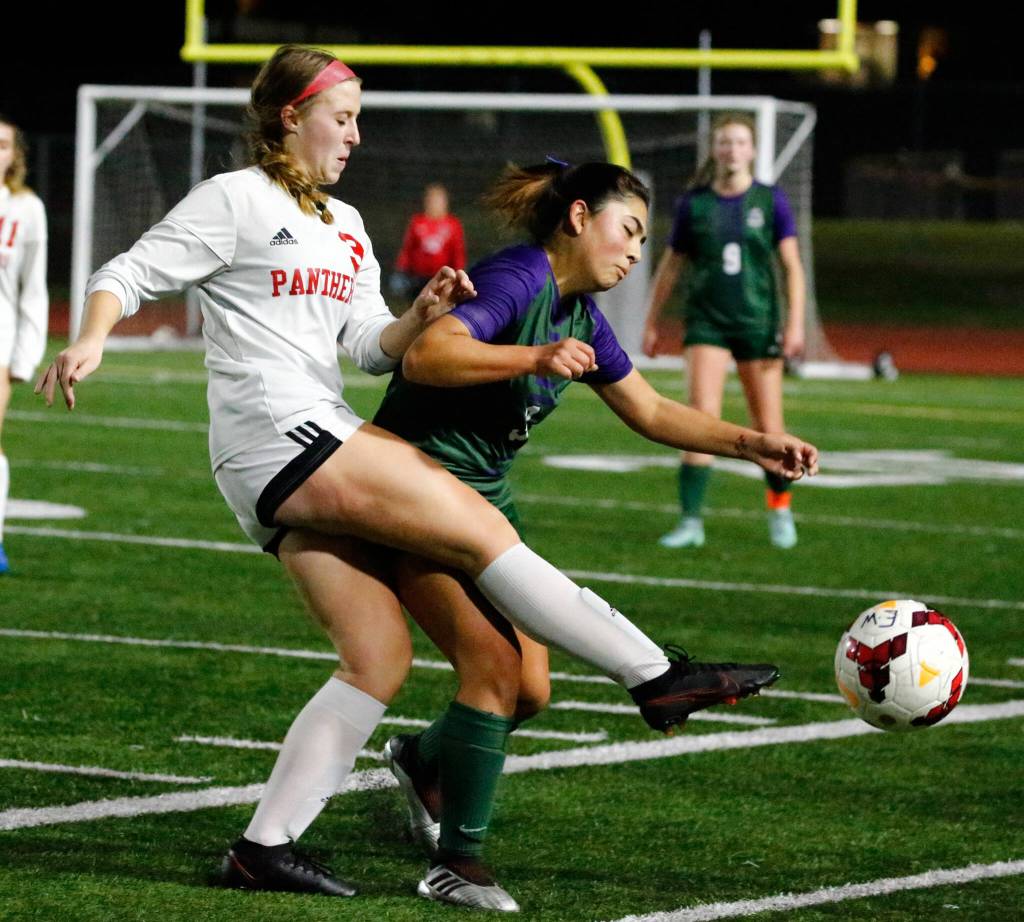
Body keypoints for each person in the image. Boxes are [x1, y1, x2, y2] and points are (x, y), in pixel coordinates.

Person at [35, 47, 809, 910]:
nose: (357, 135)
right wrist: (93, 336)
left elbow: (370, 349)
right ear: (290, 116)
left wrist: (416, 317)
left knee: (378, 659)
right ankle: (653, 674)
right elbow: (128, 272)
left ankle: (261, 849)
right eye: (344, 117)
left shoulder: (348, 225)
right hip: (275, 431)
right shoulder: (236, 199)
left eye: (360, 118)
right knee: (484, 536)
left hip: (316, 429)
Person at [372, 160, 820, 910]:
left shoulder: (579, 313)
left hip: (482, 497)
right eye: (629, 230)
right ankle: (459, 862)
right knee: (494, 668)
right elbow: (427, 353)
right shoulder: (519, 277)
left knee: (532, 690)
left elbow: (650, 411)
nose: (637, 251)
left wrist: (754, 444)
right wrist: (535, 356)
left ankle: (421, 761)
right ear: (578, 217)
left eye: (645, 238)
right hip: (410, 484)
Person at [642, 113, 807, 550]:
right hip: (706, 323)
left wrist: (794, 324)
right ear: (714, 150)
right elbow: (671, 265)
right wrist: (651, 319)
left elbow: (791, 267)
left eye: (739, 142)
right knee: (700, 418)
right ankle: (691, 521)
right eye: (724, 142)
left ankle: (779, 510)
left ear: (752, 150)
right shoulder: (694, 204)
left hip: (757, 323)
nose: (731, 150)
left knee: (769, 423)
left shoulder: (770, 201)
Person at [0, 114, 49, 574]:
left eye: (2, 145)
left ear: (15, 156)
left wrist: (25, 356)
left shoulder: (25, 208)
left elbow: (32, 287)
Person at [391, 182, 466, 303]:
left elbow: (457, 252)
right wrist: (401, 271)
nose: (435, 204)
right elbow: (408, 249)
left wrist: (459, 273)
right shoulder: (417, 222)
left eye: (438, 201)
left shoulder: (453, 225)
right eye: (432, 200)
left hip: (443, 277)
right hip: (418, 278)